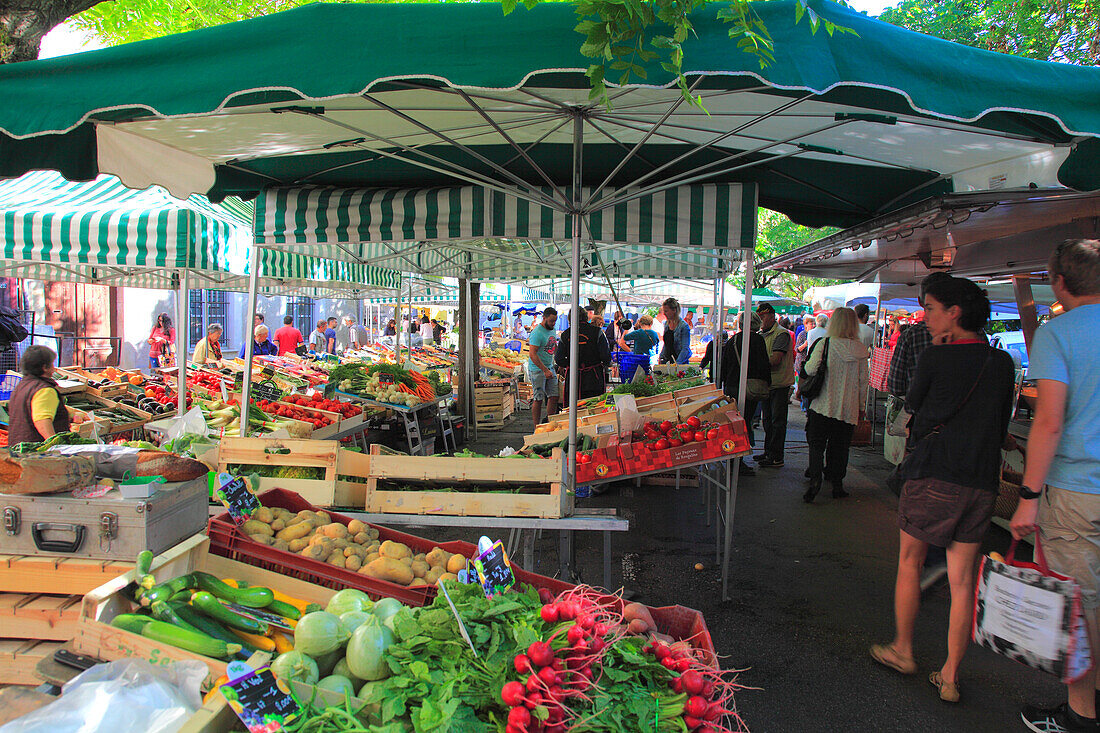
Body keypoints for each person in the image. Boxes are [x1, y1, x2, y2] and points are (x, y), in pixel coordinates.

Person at [870, 277, 1014, 705]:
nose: (925, 316)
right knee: (963, 580)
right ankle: (950, 675)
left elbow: (914, 402)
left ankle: (903, 650)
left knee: (911, 564)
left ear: (954, 311)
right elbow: (1000, 424)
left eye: (931, 308)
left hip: (934, 476)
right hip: (981, 484)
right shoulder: (1001, 363)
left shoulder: (935, 357)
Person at [1011, 240, 1100, 733]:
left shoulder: (1057, 333)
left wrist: (1028, 497)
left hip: (1076, 492)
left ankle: (1081, 716)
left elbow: (1047, 423)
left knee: (1081, 606)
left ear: (1059, 283)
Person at [801, 307, 869, 502]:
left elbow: (810, 369)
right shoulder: (860, 350)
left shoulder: (825, 344)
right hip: (848, 408)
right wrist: (861, 407)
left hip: (823, 404)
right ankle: (837, 484)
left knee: (816, 445)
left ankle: (815, 482)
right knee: (841, 447)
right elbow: (863, 382)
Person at [720, 312, 770, 476]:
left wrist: (723, 385)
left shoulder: (733, 340)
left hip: (732, 386)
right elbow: (764, 365)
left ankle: (732, 457)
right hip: (749, 388)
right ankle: (738, 462)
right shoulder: (758, 340)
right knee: (745, 423)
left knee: (734, 424)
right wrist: (766, 384)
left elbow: (724, 365)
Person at [8, 346, 87, 443]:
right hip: (38, 452)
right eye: (52, 364)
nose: (54, 368)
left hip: (18, 448)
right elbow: (42, 421)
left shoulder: (21, 386)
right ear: (45, 367)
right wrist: (54, 444)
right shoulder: (44, 390)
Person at [755, 302, 795, 468]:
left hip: (779, 383)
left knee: (778, 422)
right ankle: (768, 452)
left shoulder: (781, 334)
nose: (761, 320)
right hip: (767, 383)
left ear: (772, 316)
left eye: (763, 316)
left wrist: (754, 363)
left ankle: (777, 456)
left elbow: (776, 359)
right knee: (768, 421)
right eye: (759, 317)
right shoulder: (762, 334)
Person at [555, 307, 611, 407]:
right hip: (594, 378)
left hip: (573, 377)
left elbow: (559, 359)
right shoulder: (597, 332)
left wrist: (570, 364)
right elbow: (606, 356)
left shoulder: (565, 335)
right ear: (586, 317)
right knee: (594, 407)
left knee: (572, 408)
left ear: (570, 318)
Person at [527, 307, 559, 425]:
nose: (553, 323)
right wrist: (544, 370)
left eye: (555, 321)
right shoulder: (537, 333)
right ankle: (537, 427)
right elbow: (532, 354)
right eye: (551, 321)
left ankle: (549, 423)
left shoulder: (552, 329)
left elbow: (553, 345)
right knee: (538, 398)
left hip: (549, 367)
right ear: (544, 318)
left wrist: (557, 361)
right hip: (537, 370)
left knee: (554, 396)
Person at [658, 298, 692, 365]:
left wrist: (676, 364)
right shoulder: (667, 324)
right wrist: (661, 357)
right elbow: (666, 345)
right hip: (667, 361)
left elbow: (685, 349)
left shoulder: (683, 326)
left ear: (674, 310)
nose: (664, 313)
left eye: (666, 311)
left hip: (680, 362)